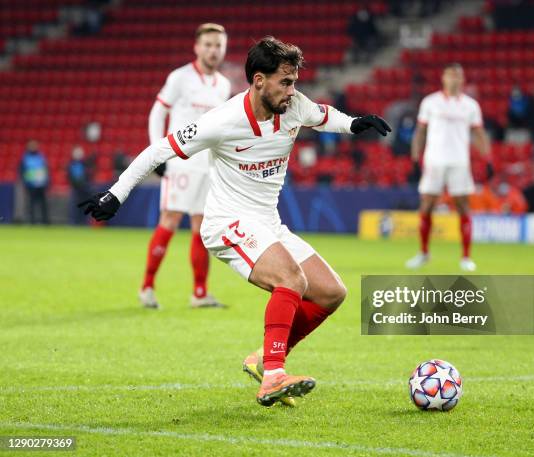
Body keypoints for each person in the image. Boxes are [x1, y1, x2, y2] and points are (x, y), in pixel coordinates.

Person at [79, 37, 391, 407]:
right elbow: (159, 148)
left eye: (294, 82)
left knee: (331, 292)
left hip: (269, 224)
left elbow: (324, 115)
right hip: (227, 223)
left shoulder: (294, 106)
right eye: (285, 82)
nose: (292, 91)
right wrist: (116, 194)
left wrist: (354, 124)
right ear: (259, 80)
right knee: (291, 279)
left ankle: (263, 358)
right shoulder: (223, 121)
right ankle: (274, 375)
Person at [140, 23, 232, 309]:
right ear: (197, 47)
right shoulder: (180, 77)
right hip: (180, 163)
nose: (213, 50)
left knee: (202, 228)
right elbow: (158, 112)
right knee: (169, 220)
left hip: (208, 166)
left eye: (218, 45)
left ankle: (200, 293)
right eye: (208, 44)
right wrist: (158, 152)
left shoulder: (224, 85)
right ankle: (147, 287)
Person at [406, 63, 491, 272]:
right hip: (434, 161)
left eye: (458, 76)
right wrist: (415, 158)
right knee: (426, 206)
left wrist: (488, 158)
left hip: (459, 162)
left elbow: (479, 134)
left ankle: (466, 257)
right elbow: (420, 132)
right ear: (443, 78)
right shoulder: (431, 102)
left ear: (463, 80)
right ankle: (424, 252)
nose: (454, 79)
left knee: (463, 206)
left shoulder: (470, 106)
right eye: (450, 75)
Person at [19, 140, 50, 224]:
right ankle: (32, 221)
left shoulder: (41, 156)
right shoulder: (25, 157)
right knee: (32, 204)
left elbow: (45, 169)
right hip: (31, 184)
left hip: (41, 184)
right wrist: (25, 182)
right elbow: (22, 171)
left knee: (43, 205)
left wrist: (47, 182)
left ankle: (45, 221)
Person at [67, 145, 93, 225]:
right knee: (75, 207)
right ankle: (74, 223)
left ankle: (84, 223)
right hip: (76, 189)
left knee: (85, 207)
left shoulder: (85, 164)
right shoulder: (71, 165)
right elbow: (69, 177)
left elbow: (89, 175)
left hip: (84, 189)